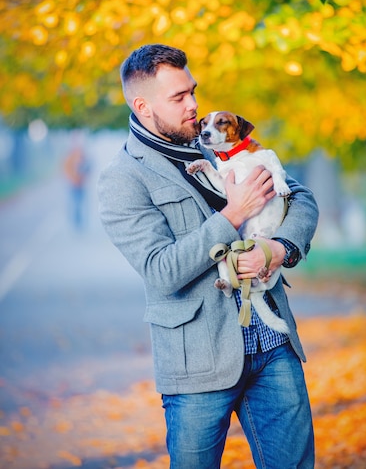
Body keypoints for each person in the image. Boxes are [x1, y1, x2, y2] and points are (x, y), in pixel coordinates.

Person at [98, 44, 319, 469]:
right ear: (143, 106)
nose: (194, 106)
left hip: (273, 344)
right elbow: (162, 271)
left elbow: (302, 198)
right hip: (199, 364)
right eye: (179, 98)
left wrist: (279, 247)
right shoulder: (123, 179)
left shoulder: (221, 140)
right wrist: (233, 213)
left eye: (192, 91)